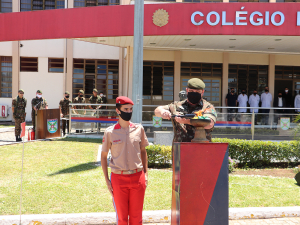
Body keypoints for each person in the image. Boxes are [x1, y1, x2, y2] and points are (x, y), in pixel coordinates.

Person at [101, 96, 149, 225]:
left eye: (131, 109)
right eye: (125, 109)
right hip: (118, 179)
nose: (128, 112)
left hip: (138, 177)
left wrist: (146, 174)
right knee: (122, 219)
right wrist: (107, 180)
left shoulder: (139, 129)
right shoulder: (110, 132)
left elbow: (143, 151)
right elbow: (104, 156)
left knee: (136, 219)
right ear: (118, 110)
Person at [154, 78, 217, 142]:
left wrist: (186, 121)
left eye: (197, 92)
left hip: (201, 148)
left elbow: (209, 124)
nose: (194, 94)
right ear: (187, 90)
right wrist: (163, 112)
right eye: (191, 91)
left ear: (202, 92)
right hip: (180, 149)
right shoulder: (177, 105)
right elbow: (157, 110)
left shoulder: (207, 107)